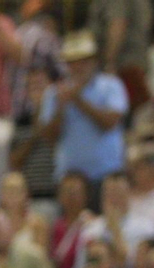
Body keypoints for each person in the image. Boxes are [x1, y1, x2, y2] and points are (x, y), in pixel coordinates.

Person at [40, 34, 126, 187]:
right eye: (73, 62)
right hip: (69, 177)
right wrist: (60, 108)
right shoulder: (53, 93)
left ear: (94, 61)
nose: (78, 66)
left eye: (83, 61)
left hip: (106, 175)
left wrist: (77, 100)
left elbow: (110, 122)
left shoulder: (111, 85)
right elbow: (49, 137)